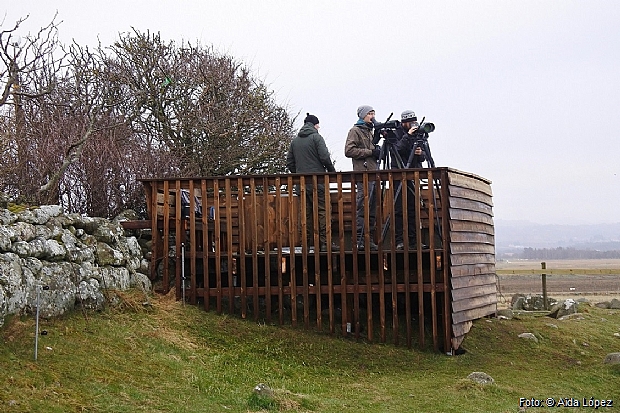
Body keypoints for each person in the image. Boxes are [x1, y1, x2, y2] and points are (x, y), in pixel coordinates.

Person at [286, 113, 338, 252]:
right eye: (318, 125)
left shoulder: (295, 141)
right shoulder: (316, 137)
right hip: (318, 183)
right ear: (315, 125)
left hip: (301, 184)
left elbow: (289, 162)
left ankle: (305, 245)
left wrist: (298, 175)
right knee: (323, 211)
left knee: (305, 214)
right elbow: (325, 157)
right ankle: (325, 244)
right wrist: (331, 172)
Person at [344, 105, 380, 251]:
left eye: (374, 113)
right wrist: (370, 152)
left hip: (372, 173)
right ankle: (360, 239)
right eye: (370, 113)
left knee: (371, 207)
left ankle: (369, 239)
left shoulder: (370, 131)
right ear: (363, 115)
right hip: (363, 173)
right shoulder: (355, 131)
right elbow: (348, 150)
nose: (372, 116)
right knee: (362, 206)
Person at [391, 109, 427, 250]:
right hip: (399, 173)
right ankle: (399, 241)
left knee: (413, 209)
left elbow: (423, 157)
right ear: (404, 123)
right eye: (409, 122)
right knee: (399, 209)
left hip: (414, 174)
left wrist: (420, 153)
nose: (412, 124)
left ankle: (414, 241)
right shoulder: (396, 133)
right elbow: (396, 150)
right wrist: (408, 135)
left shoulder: (418, 133)